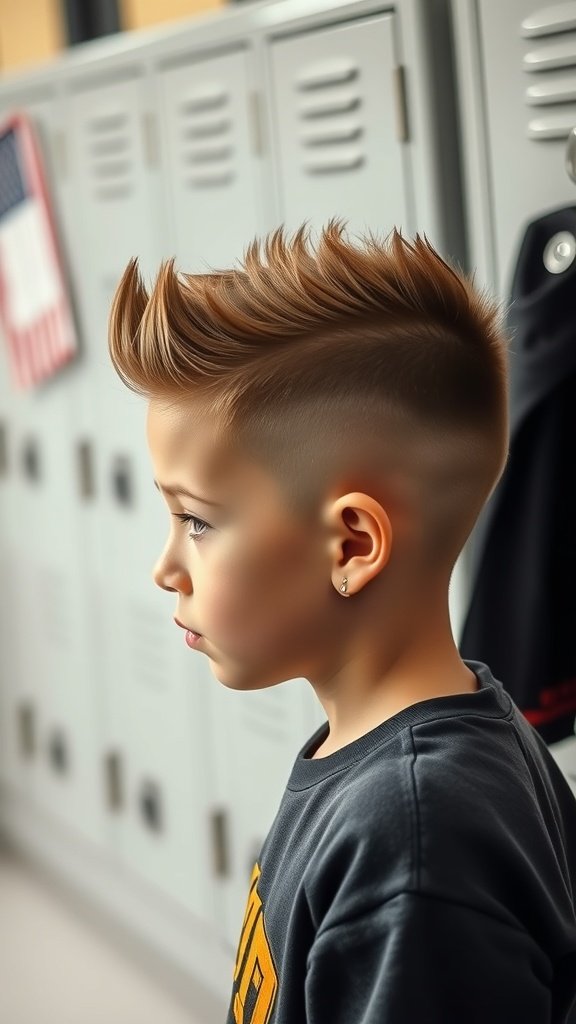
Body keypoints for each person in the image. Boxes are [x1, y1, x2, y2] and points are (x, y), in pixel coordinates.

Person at [108, 221, 576, 1023]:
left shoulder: (414, 844)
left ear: (352, 545)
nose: (165, 567)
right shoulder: (412, 760)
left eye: (198, 521)